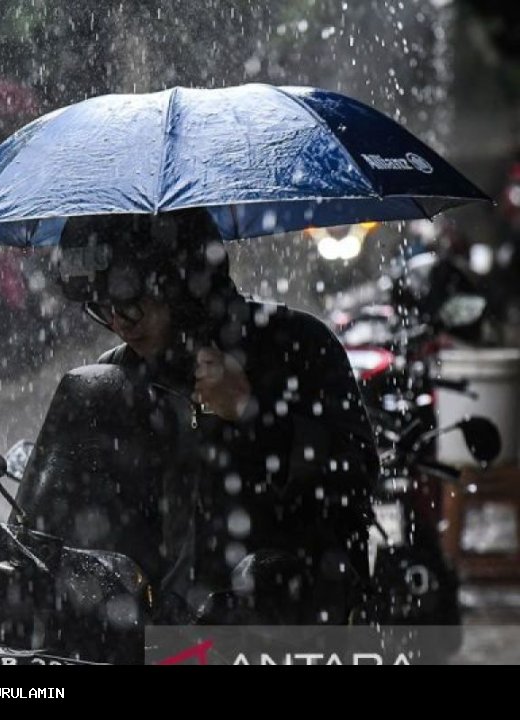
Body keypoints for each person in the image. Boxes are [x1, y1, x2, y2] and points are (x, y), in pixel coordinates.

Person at [50, 208, 379, 625]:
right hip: (163, 636)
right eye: (102, 307)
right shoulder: (116, 378)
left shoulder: (299, 346)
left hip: (289, 627)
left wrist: (251, 414)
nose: (119, 323)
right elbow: (93, 523)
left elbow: (356, 480)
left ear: (184, 283)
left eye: (131, 303)